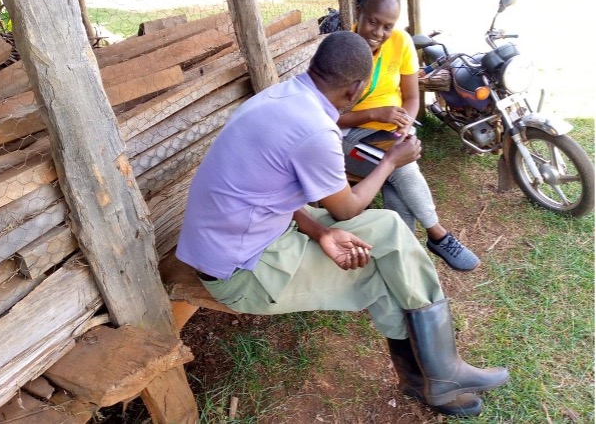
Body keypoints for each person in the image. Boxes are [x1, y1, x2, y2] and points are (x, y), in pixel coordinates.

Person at [176, 31, 509, 417]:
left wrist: (319, 231)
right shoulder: (315, 130)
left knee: (389, 228)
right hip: (242, 269)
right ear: (355, 89)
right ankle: (433, 378)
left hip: (246, 234)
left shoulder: (281, 97)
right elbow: (347, 210)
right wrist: (391, 161)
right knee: (381, 276)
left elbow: (263, 193)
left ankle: (437, 374)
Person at [339, 0, 480, 272]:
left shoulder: (400, 41)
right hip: (348, 135)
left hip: (389, 131)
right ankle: (437, 234)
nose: (379, 32)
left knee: (397, 173)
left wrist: (404, 125)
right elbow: (331, 117)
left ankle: (402, 255)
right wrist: (375, 114)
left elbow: (412, 98)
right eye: (373, 21)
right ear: (358, 11)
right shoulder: (343, 50)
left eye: (388, 26)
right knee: (400, 166)